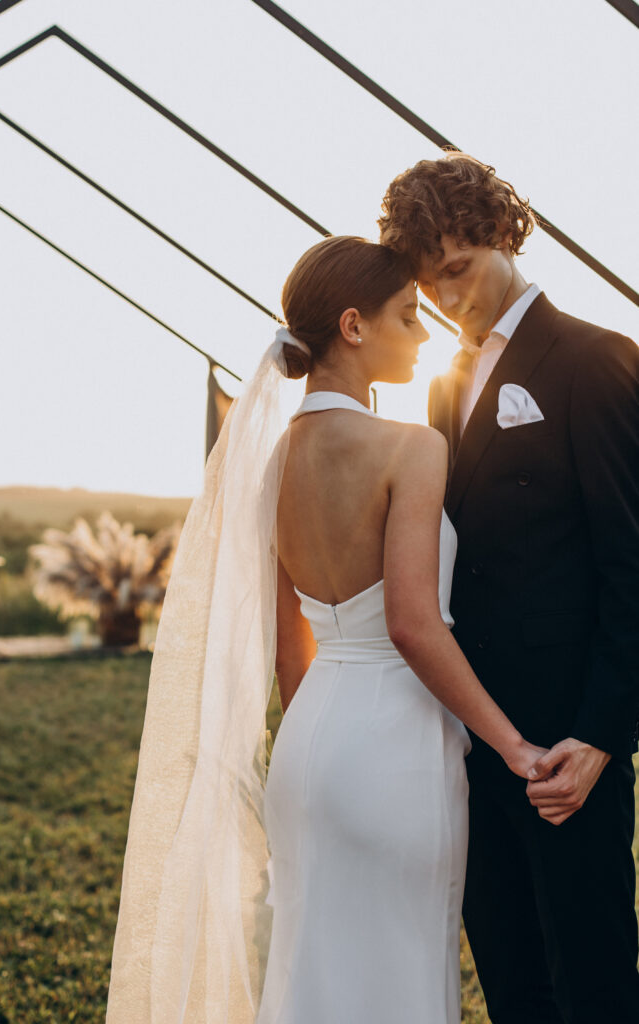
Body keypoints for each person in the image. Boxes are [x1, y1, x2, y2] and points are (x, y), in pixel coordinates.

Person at [106, 235, 545, 1024]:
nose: (422, 335)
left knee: (315, 973)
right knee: (400, 972)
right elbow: (413, 625)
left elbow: (290, 644)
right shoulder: (411, 447)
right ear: (352, 326)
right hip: (394, 750)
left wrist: (323, 734)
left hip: (310, 745)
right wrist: (512, 745)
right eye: (408, 317)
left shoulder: (271, 459)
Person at [379, 152, 639, 1024]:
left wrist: (601, 736)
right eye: (430, 285)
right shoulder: (442, 387)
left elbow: (629, 565)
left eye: (456, 270)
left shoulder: (596, 360)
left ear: (500, 232)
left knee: (593, 979)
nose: (448, 300)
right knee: (509, 976)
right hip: (470, 737)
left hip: (569, 748)